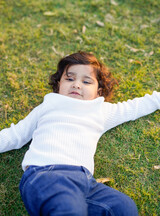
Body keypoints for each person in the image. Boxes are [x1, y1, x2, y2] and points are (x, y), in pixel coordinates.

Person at [0, 51, 159, 216]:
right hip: (45, 175)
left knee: (123, 207)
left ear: (98, 91)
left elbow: (133, 108)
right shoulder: (48, 105)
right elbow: (16, 135)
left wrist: (157, 99)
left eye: (86, 81)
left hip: (86, 184)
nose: (76, 84)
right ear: (58, 85)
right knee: (67, 207)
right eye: (69, 79)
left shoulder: (101, 110)